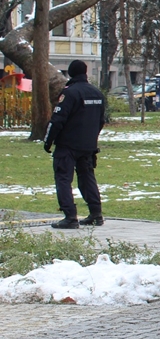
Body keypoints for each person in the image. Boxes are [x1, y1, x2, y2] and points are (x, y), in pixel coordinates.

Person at [43, 59, 105, 229]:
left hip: (68, 145)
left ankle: (70, 216)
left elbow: (57, 120)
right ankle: (96, 213)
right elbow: (101, 121)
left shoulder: (69, 93)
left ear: (70, 73)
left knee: (63, 178)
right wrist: (91, 138)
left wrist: (48, 141)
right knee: (87, 178)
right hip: (88, 145)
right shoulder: (97, 93)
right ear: (85, 73)